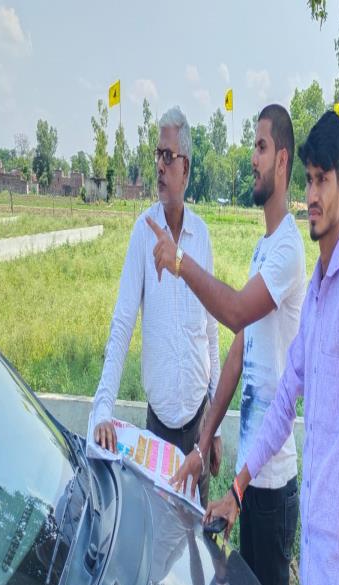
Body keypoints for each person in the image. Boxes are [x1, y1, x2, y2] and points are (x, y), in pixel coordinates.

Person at [204, 110, 339, 585]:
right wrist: (237, 489)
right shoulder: (317, 292)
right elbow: (284, 403)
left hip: (337, 560)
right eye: (308, 180)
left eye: (323, 180)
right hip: (312, 544)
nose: (313, 196)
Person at [148, 104, 306, 585]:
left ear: (282, 160)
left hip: (273, 482)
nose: (252, 158)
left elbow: (236, 313)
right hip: (251, 476)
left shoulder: (288, 250)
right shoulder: (265, 247)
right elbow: (240, 348)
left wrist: (179, 262)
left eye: (261, 147)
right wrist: (203, 443)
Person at [92, 106, 220, 507]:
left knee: (197, 535)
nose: (160, 166)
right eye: (157, 156)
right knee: (159, 536)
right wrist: (102, 409)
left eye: (169, 156)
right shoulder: (143, 234)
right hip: (158, 433)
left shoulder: (201, 238)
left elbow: (211, 332)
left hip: (199, 425)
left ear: (186, 167)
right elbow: (122, 322)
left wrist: (214, 426)